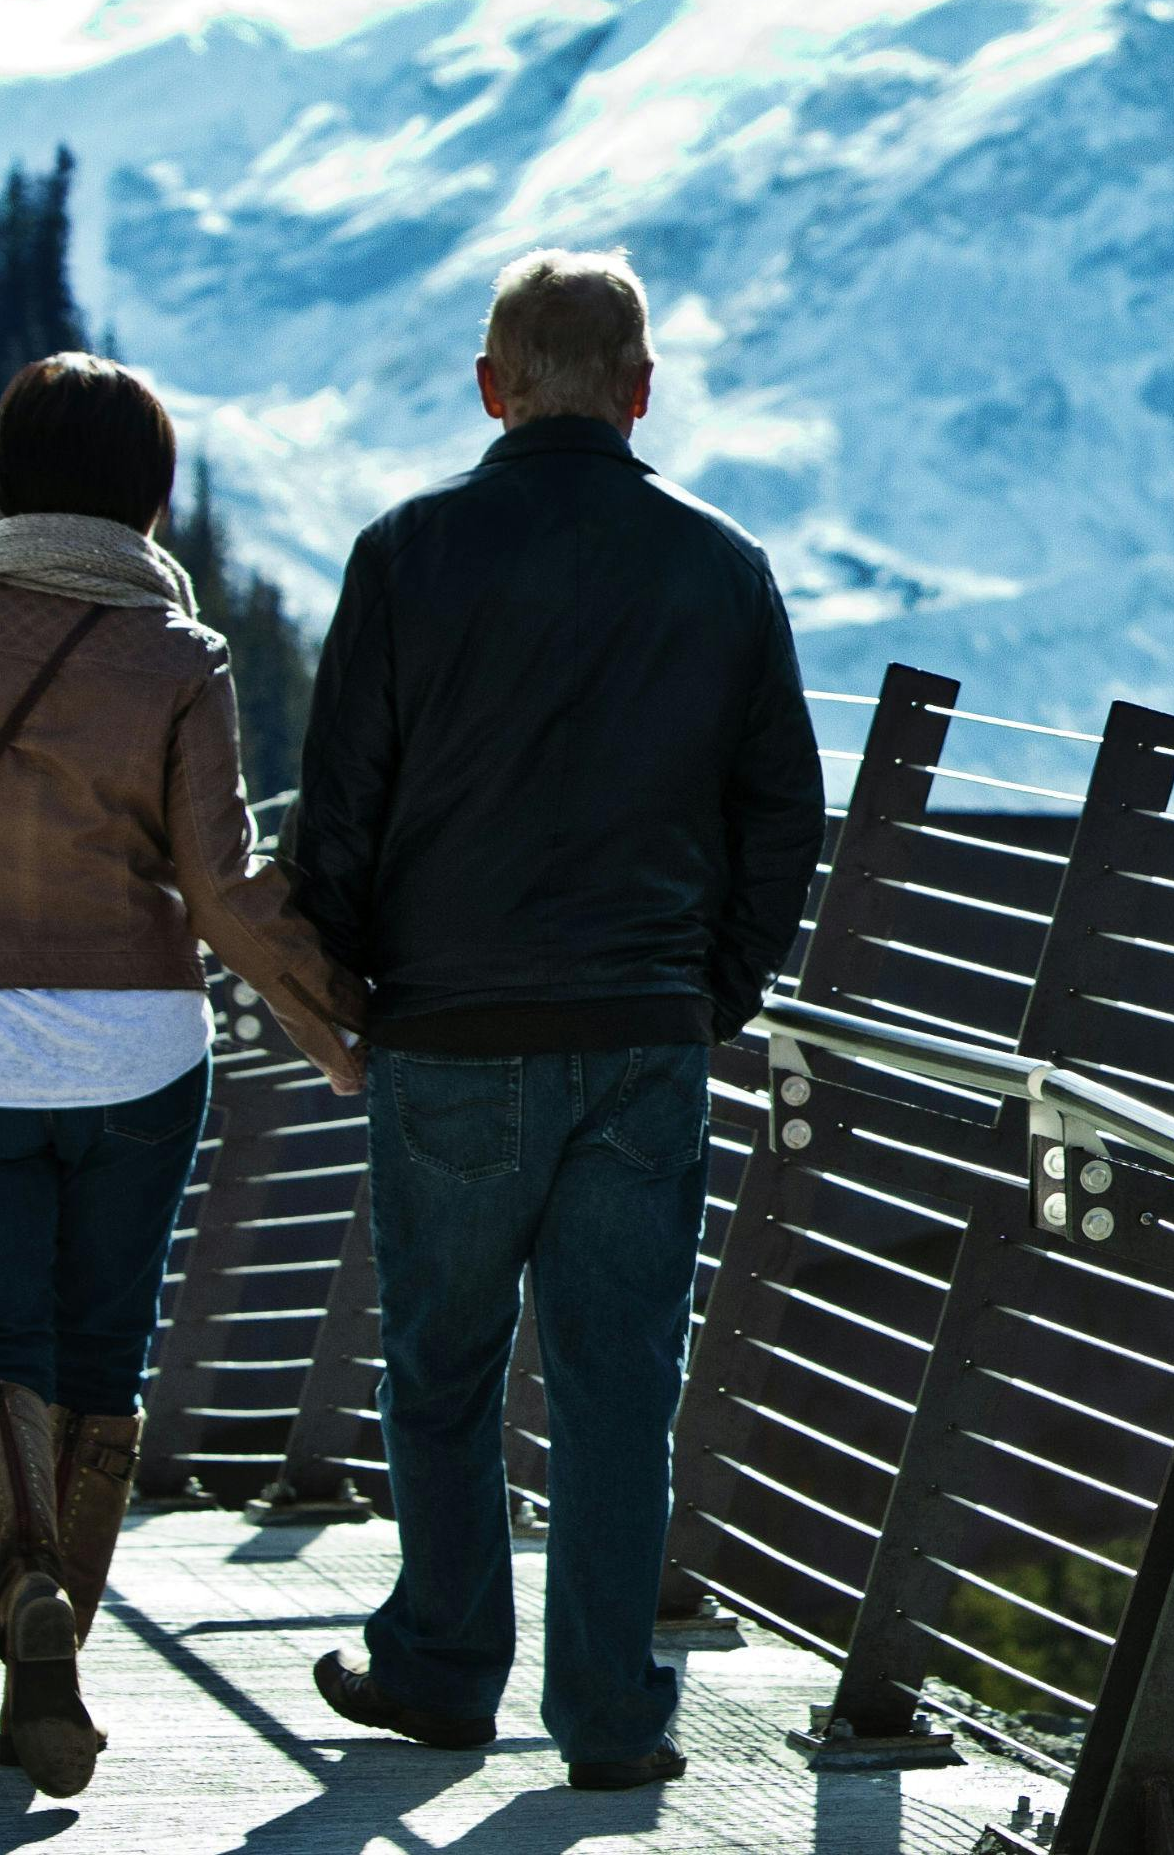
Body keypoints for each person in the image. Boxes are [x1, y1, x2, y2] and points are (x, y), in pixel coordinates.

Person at [0, 354, 365, 1797]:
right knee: (103, 1356)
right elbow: (224, 893)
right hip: (137, 1057)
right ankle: (59, 1647)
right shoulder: (180, 659)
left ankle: (24, 1592)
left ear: (5, 484)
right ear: (150, 498)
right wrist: (346, 1034)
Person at [289, 247, 825, 1790]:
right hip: (643, 1026)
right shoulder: (721, 566)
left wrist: (346, 983)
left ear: (490, 387)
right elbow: (782, 810)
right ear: (643, 391)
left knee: (441, 1368)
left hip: (448, 1030)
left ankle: (448, 1672)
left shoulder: (404, 554)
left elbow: (342, 811)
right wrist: (713, 989)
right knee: (617, 1386)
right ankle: (610, 1721)